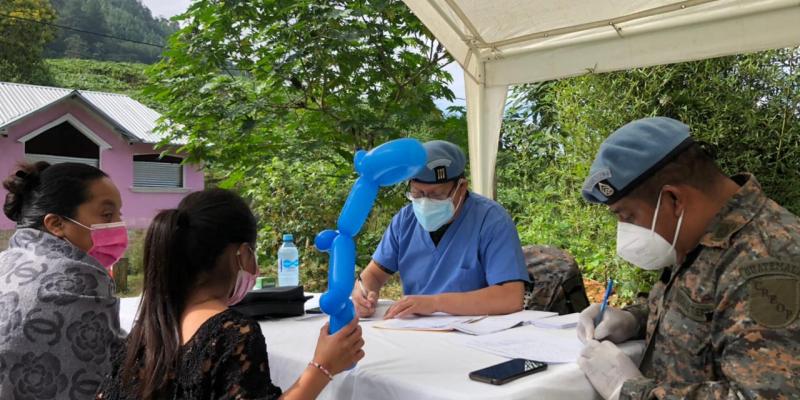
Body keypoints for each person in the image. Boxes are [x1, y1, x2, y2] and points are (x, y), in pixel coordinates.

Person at [575, 117, 800, 399]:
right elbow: (701, 313)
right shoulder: (702, 236)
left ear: (674, 200)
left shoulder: (767, 262)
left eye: (628, 216)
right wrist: (634, 319)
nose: (625, 230)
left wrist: (631, 391)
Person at [95, 189, 364, 400]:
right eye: (253, 253)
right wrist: (323, 366)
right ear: (243, 254)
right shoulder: (231, 333)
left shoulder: (147, 329)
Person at [353, 140, 529, 319]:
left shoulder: (491, 220)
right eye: (417, 193)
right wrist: (362, 293)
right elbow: (373, 275)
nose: (425, 203)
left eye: (436, 195)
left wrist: (435, 303)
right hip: (413, 329)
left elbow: (510, 296)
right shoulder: (405, 221)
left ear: (461, 187)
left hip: (476, 329)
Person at [0, 162, 127, 400]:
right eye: (107, 215)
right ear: (57, 224)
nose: (118, 225)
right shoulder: (79, 277)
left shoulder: (5, 262)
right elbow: (116, 369)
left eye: (119, 215)